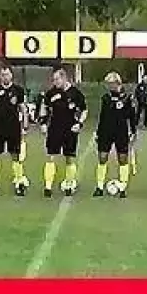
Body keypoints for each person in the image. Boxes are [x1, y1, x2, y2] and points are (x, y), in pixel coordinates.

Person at [36, 66, 87, 198]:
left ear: (64, 78)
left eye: (57, 79)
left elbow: (84, 110)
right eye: (53, 80)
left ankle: (69, 184)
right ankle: (48, 186)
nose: (55, 82)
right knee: (50, 156)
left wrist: (79, 123)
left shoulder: (75, 93)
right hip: (54, 128)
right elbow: (44, 107)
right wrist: (43, 123)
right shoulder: (51, 93)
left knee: (69, 157)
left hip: (70, 129)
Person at [93, 71, 137, 198]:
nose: (109, 86)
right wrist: (98, 132)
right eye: (108, 84)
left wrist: (133, 131)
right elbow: (102, 116)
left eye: (111, 83)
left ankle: (122, 187)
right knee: (102, 157)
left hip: (121, 131)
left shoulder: (127, 98)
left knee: (122, 159)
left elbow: (132, 116)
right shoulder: (106, 98)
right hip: (106, 131)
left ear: (118, 83)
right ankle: (99, 186)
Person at [0, 66, 28, 196]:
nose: (5, 77)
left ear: (11, 75)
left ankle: (19, 183)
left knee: (15, 155)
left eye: (7, 74)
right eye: (3, 75)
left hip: (14, 127)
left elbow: (23, 109)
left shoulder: (18, 90)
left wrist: (25, 126)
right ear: (0, 76)